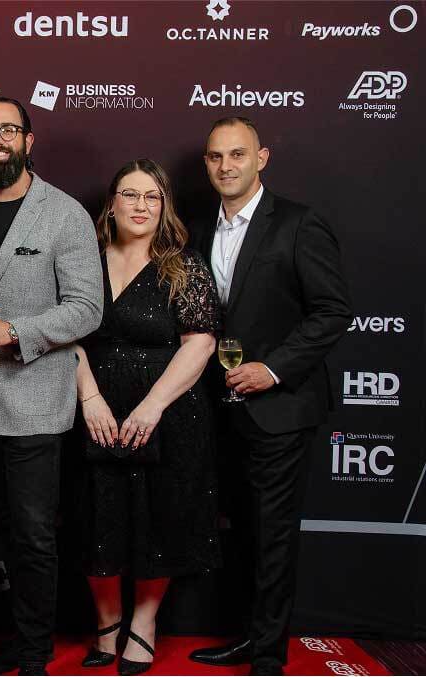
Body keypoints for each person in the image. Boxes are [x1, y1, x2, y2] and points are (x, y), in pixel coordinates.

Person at [186, 118, 352, 676]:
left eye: (237, 155)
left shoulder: (299, 224)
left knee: (274, 537)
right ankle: (247, 637)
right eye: (215, 157)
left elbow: (333, 310)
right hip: (221, 409)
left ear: (262, 158)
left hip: (280, 409)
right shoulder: (198, 228)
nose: (226, 166)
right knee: (244, 533)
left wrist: (273, 369)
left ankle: (267, 657)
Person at [0, 97, 103, 676]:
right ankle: (22, 638)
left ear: (28, 141)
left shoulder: (62, 213)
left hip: (38, 399)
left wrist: (14, 330)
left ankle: (35, 651)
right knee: (6, 526)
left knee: (35, 535)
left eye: (7, 130)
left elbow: (87, 308)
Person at [73, 159, 222, 675]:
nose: (140, 205)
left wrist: (154, 404)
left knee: (159, 517)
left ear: (164, 207)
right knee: (99, 516)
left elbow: (201, 343)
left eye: (152, 197)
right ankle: (107, 622)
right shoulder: (82, 260)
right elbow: (63, 334)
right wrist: (88, 396)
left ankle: (145, 621)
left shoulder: (183, 265)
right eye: (130, 195)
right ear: (111, 203)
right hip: (93, 409)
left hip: (166, 410)